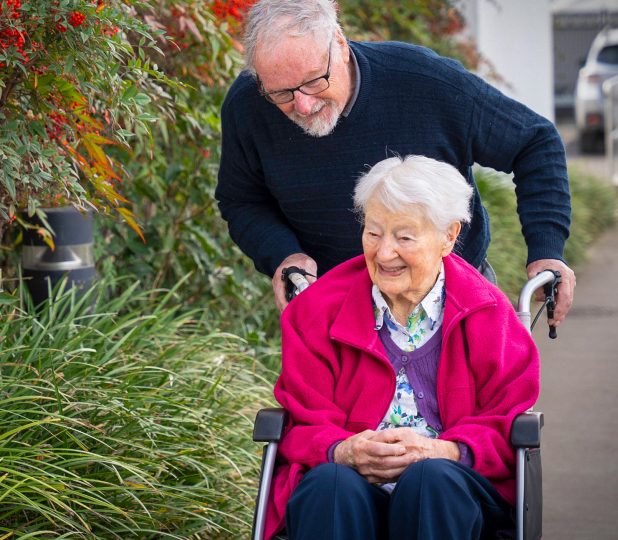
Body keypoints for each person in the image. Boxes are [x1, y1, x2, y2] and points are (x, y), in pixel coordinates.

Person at [215, 0, 575, 325]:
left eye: (313, 82)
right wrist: (284, 254)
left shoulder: (424, 82)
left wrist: (546, 251)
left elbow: (535, 142)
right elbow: (242, 200)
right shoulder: (248, 106)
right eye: (281, 93)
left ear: (340, 45)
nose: (303, 105)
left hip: (455, 301)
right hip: (336, 310)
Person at [262, 155, 540, 539]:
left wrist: (448, 451)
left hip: (451, 491)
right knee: (331, 485)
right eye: (373, 233)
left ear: (449, 236)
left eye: (404, 237)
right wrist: (343, 450)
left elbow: (506, 422)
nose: (384, 252)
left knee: (430, 481)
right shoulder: (315, 311)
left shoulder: (488, 315)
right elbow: (302, 422)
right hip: (348, 486)